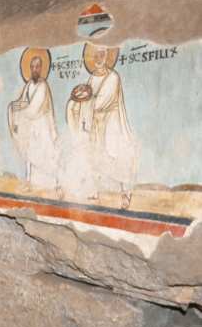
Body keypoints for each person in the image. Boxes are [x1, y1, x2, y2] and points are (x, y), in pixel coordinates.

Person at [65, 45, 138, 208]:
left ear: (107, 56)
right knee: (94, 155)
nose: (98, 59)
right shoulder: (92, 78)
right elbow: (88, 96)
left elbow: (101, 101)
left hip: (110, 123)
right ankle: (94, 190)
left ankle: (125, 193)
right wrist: (75, 104)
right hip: (95, 123)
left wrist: (82, 103)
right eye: (95, 56)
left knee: (115, 157)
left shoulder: (113, 77)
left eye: (101, 55)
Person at [8, 54, 62, 196]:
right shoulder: (29, 85)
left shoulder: (43, 86)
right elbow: (24, 101)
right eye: (32, 67)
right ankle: (29, 183)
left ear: (41, 68)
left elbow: (33, 107)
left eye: (37, 67)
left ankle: (58, 185)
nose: (35, 70)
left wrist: (21, 108)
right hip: (30, 127)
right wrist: (14, 109)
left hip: (42, 126)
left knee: (49, 154)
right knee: (29, 154)